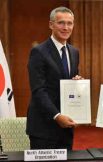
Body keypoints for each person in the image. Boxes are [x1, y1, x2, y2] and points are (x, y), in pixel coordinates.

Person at [26, 6, 83, 150]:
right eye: (61, 23)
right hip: (44, 128)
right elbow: (38, 90)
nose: (66, 27)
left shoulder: (74, 52)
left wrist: (76, 83)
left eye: (69, 23)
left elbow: (67, 82)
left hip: (66, 127)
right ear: (51, 25)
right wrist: (57, 116)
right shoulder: (38, 52)